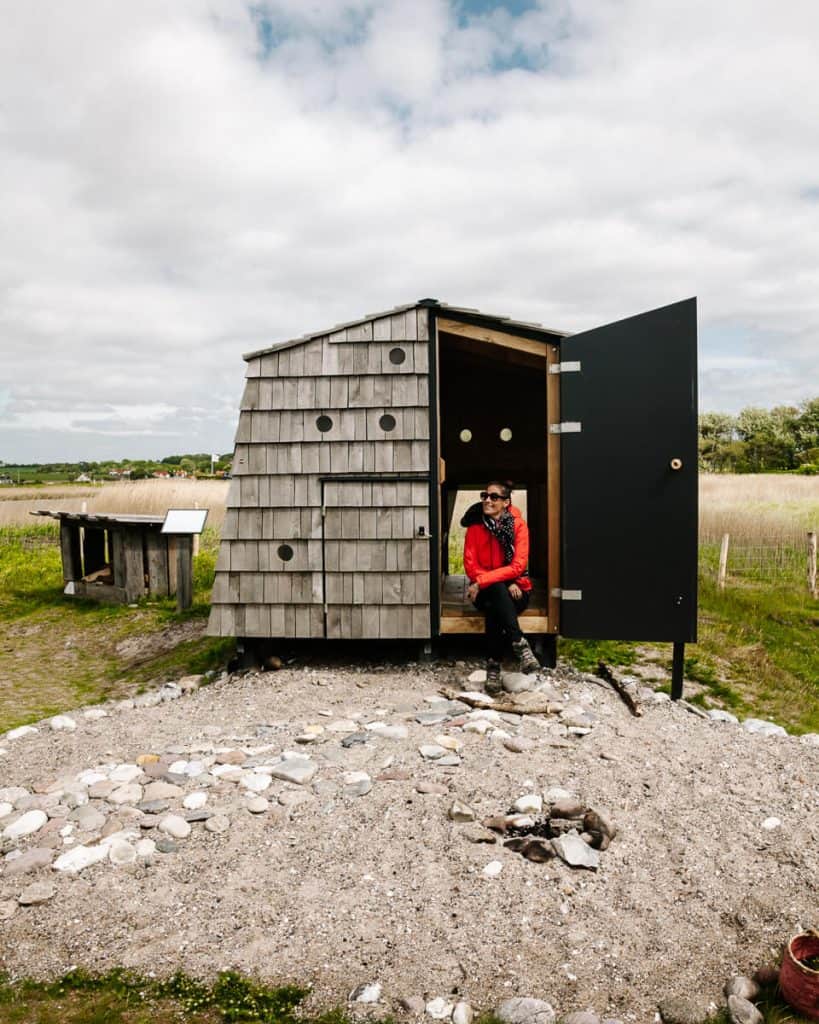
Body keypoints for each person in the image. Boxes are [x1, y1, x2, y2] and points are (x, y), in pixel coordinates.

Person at [462, 480, 540, 694]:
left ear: (506, 502)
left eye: (494, 497)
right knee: (497, 593)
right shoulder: (475, 528)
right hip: (488, 590)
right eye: (484, 496)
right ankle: (519, 643)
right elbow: (470, 566)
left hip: (515, 590)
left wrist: (483, 581)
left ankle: (493, 667)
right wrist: (493, 581)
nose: (487, 500)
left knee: (494, 606)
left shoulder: (518, 527)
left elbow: (518, 566)